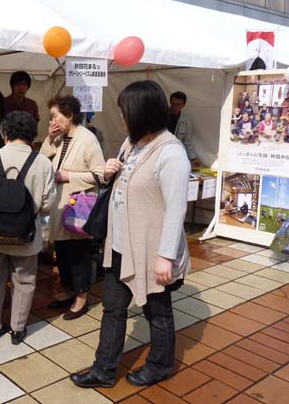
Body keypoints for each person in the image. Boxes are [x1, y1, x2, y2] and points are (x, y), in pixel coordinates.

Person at [71, 80, 191, 389]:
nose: (122, 117)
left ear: (142, 112)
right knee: (113, 309)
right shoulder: (131, 143)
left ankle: (160, 365)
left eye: (125, 111)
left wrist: (166, 257)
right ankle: (104, 368)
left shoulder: (171, 153)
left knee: (157, 313)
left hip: (152, 251)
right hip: (120, 245)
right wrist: (111, 169)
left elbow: (176, 210)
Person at [0, 111, 56, 345]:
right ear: (32, 135)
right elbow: (49, 203)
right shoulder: (42, 162)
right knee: (24, 280)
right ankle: (18, 329)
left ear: (5, 133)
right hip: (26, 235)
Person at [40, 96, 105, 319]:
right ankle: (69, 290)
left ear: (69, 115)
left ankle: (81, 298)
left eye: (55, 116)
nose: (52, 121)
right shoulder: (58, 138)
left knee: (79, 254)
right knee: (63, 253)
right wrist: (49, 138)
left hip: (78, 207)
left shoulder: (88, 139)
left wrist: (69, 176)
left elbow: (100, 175)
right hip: (59, 206)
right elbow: (41, 162)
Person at [168, 91, 200, 167]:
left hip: (174, 153)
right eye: (173, 103)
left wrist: (193, 158)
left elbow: (186, 140)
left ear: (183, 105)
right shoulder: (161, 115)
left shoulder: (185, 120)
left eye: (178, 105)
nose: (175, 107)